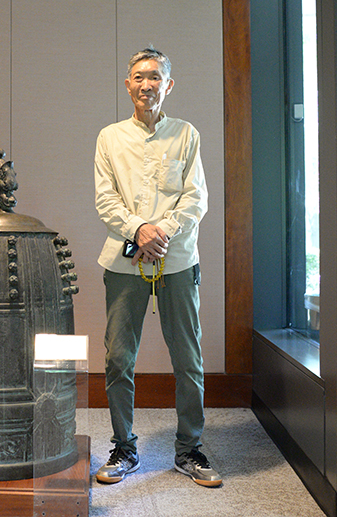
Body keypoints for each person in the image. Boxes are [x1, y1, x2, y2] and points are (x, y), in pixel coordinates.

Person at [93, 47, 221, 487]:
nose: (146, 84)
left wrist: (160, 232)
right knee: (117, 358)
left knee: (188, 357)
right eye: (138, 77)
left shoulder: (186, 134)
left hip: (178, 259)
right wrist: (139, 230)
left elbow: (196, 197)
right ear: (127, 84)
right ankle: (123, 449)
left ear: (168, 85)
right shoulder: (109, 137)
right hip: (124, 262)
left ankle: (190, 450)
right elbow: (105, 200)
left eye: (155, 77)